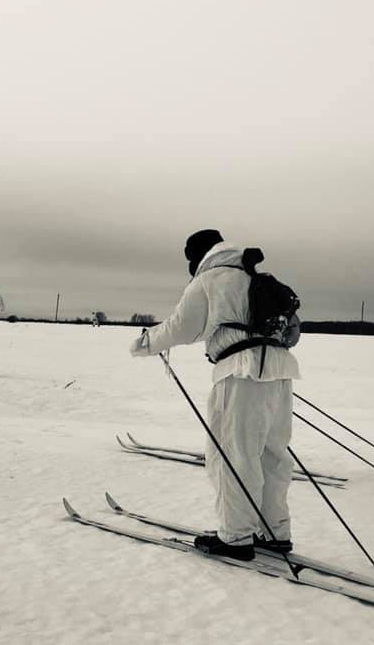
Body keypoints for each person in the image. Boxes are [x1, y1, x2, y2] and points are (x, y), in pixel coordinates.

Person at [129, 229, 301, 561]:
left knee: (233, 454)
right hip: (279, 371)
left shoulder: (210, 278)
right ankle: (274, 532)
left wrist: (144, 343)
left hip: (241, 373)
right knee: (271, 454)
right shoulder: (255, 276)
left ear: (198, 256)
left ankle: (236, 537)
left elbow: (182, 327)